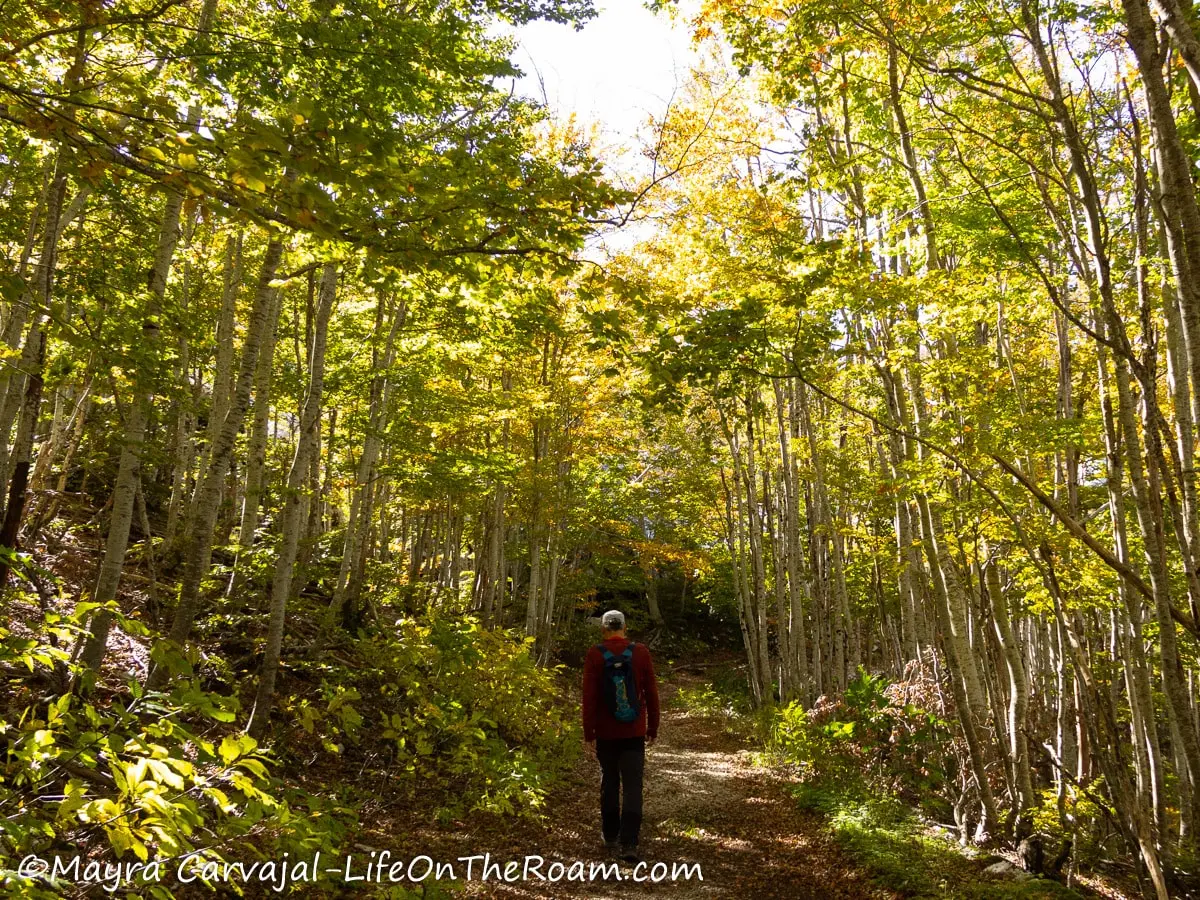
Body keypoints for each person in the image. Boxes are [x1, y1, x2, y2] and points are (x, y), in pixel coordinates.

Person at [582, 609, 660, 863]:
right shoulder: (640, 653)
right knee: (633, 785)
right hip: (633, 731)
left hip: (606, 732)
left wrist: (589, 732)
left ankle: (610, 834)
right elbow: (651, 693)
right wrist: (653, 727)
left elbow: (589, 698)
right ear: (625, 628)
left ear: (604, 629)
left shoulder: (595, 654)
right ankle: (630, 843)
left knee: (610, 781)